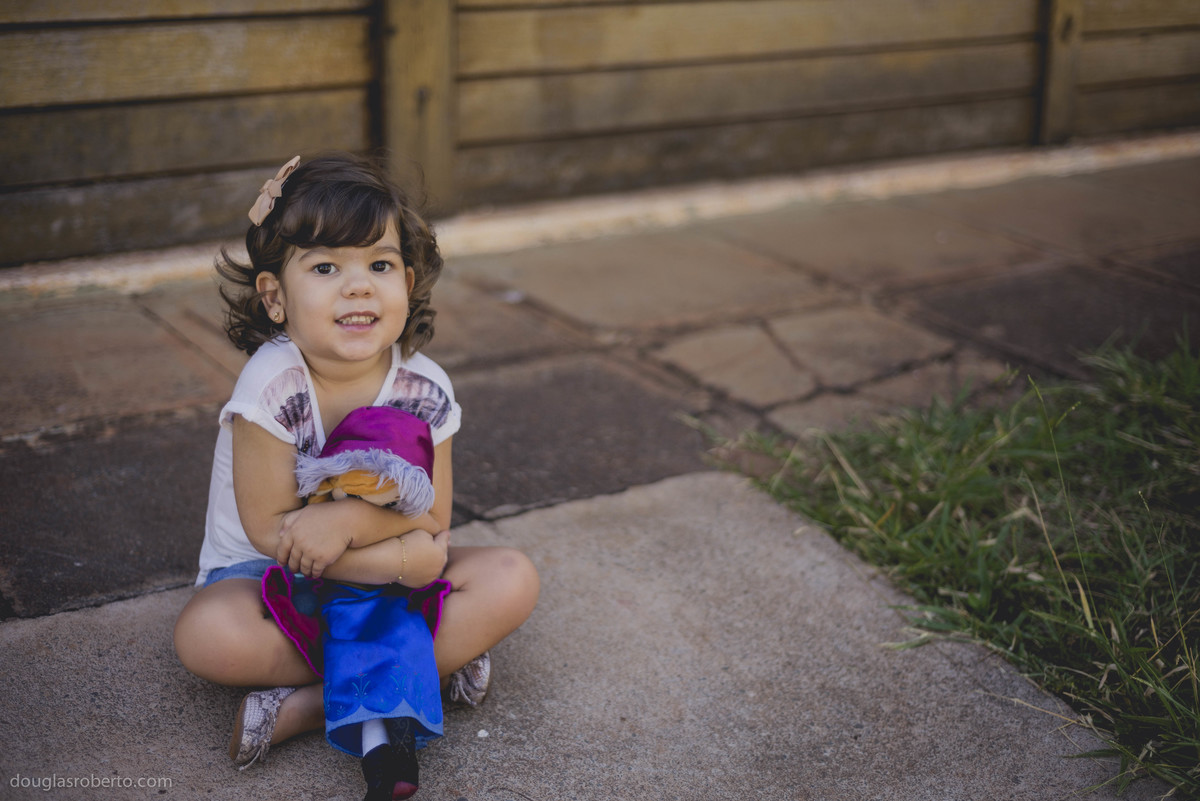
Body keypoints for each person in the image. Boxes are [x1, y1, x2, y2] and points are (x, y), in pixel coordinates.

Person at [173, 152, 539, 800]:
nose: (359, 285)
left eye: (379, 264)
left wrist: (354, 523)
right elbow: (269, 530)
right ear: (275, 297)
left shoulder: (424, 387)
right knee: (206, 634)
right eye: (324, 267)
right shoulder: (273, 383)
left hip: (387, 569)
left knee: (513, 577)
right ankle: (411, 672)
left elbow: (433, 518)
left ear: (408, 277)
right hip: (274, 580)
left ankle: (311, 704)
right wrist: (402, 561)